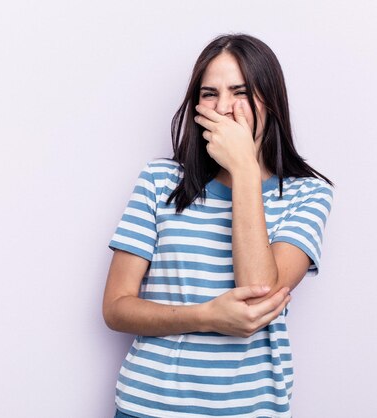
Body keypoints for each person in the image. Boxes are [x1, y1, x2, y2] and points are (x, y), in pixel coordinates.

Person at [102, 33, 334, 418]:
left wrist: (244, 167)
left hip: (250, 410)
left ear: (271, 102)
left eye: (239, 91)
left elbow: (258, 295)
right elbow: (116, 308)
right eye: (210, 94)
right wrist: (207, 316)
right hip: (148, 406)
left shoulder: (307, 194)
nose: (223, 108)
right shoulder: (160, 180)